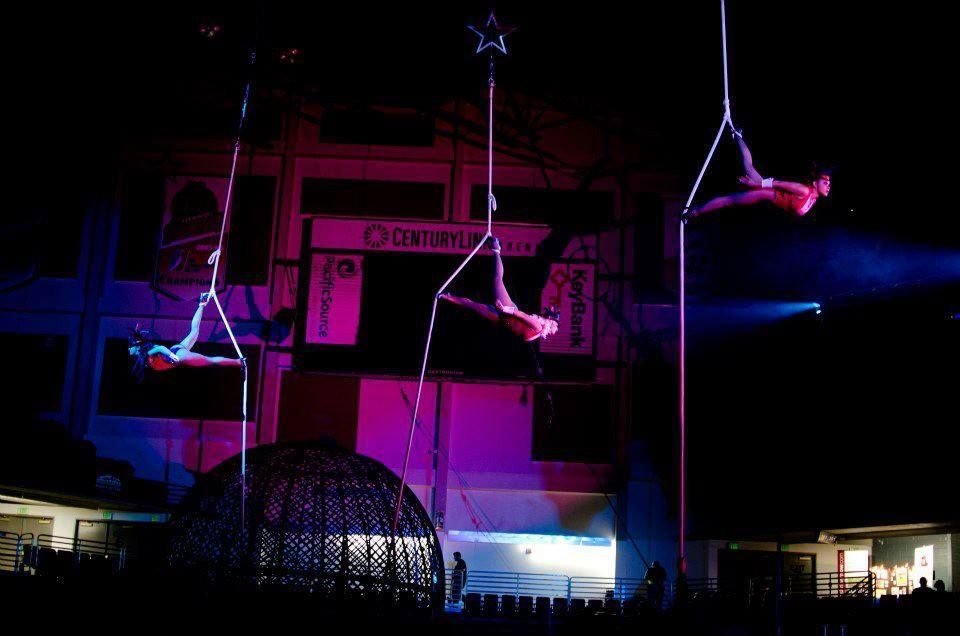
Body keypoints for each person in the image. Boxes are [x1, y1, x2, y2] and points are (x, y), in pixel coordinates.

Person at [684, 128, 832, 220]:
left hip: (768, 194)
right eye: (825, 183)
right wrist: (755, 184)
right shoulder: (804, 190)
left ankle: (737, 135)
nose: (828, 186)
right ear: (814, 183)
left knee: (748, 166)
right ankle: (694, 212)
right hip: (764, 192)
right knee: (729, 200)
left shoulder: (813, 198)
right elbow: (778, 183)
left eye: (829, 184)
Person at [439, 236, 560, 342]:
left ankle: (445, 296)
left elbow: (519, 323)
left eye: (555, 327)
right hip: (506, 310)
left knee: (471, 304)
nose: (555, 330)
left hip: (501, 319)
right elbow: (520, 314)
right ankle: (496, 249)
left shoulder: (538, 330)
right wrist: (505, 309)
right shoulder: (538, 326)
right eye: (555, 326)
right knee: (497, 279)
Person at [128, 293, 244, 381]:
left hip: (179, 356)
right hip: (176, 350)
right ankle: (202, 304)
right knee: (194, 331)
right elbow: (152, 351)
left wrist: (173, 356)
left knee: (210, 360)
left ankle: (239, 362)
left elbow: (161, 348)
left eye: (130, 347)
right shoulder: (145, 357)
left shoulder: (148, 354)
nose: (128, 349)